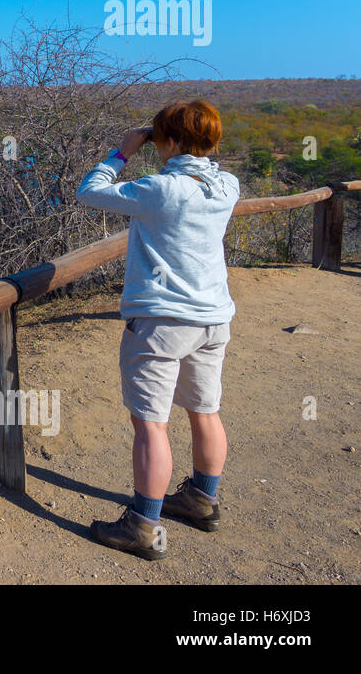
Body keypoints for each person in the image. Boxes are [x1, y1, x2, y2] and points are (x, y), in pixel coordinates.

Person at [74, 100, 240, 560]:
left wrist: (123, 151)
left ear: (166, 141)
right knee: (205, 411)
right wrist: (171, 141)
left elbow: (89, 191)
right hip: (213, 318)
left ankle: (143, 527)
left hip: (161, 322)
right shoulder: (227, 185)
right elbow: (199, 169)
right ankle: (202, 499)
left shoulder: (160, 188)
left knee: (151, 425)